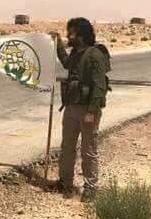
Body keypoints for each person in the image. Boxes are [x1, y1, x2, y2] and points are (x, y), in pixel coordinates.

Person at [50, 18, 110, 202]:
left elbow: (100, 86)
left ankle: (90, 187)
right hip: (71, 107)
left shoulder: (95, 54)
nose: (69, 35)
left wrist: (92, 111)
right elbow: (67, 64)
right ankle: (64, 181)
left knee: (88, 150)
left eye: (71, 32)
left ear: (82, 35)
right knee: (67, 147)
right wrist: (58, 44)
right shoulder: (76, 52)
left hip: (87, 110)